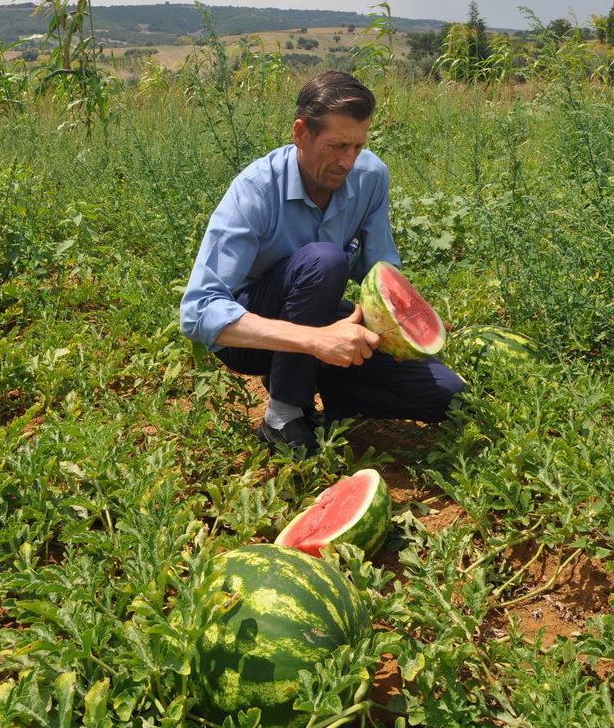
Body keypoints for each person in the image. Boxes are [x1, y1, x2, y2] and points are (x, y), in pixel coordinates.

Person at [180, 71, 464, 456]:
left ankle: (330, 395)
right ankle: (283, 415)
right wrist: (315, 341)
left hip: (325, 319)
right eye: (336, 146)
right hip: (252, 335)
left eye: (357, 146)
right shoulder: (257, 190)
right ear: (300, 133)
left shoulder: (370, 178)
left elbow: (379, 270)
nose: (347, 161)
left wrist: (404, 321)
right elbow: (197, 313)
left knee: (446, 397)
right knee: (325, 261)